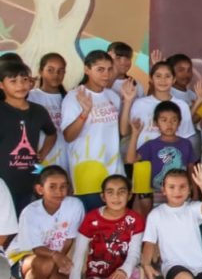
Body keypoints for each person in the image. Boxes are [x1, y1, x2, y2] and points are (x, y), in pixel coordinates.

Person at [6, 166, 84, 279]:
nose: (59, 191)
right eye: (52, 187)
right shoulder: (30, 212)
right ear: (40, 189)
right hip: (24, 257)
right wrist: (55, 260)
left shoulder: (75, 205)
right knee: (45, 263)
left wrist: (54, 272)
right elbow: (36, 249)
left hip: (52, 261)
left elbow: (69, 240)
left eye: (63, 186)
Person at [70, 174, 145, 279]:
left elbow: (135, 253)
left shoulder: (135, 219)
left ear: (129, 195)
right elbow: (78, 254)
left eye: (121, 192)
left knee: (142, 276)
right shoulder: (91, 218)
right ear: (103, 196)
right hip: (97, 275)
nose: (116, 197)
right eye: (110, 192)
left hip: (122, 273)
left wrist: (124, 271)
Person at [141, 165, 202, 279]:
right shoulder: (156, 214)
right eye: (172, 187)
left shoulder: (192, 208)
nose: (177, 191)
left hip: (199, 265)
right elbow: (149, 241)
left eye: (182, 187)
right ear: (163, 190)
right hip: (173, 265)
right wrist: (146, 264)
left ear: (189, 190)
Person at [61, 50, 127, 208]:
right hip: (87, 174)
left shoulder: (113, 96)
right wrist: (85, 112)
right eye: (100, 69)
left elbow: (122, 132)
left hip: (114, 171)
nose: (106, 74)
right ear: (87, 70)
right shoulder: (74, 97)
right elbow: (68, 136)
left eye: (109, 69)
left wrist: (129, 101)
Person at [0, 60, 56, 213]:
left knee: (25, 226)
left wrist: (42, 154)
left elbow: (51, 133)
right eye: (13, 81)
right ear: (1, 85)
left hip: (31, 180)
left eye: (25, 80)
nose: (21, 85)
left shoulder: (39, 111)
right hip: (3, 184)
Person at [126, 101, 197, 211]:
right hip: (158, 193)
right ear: (155, 123)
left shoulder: (186, 144)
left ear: (179, 123)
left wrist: (195, 192)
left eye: (174, 120)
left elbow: (191, 168)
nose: (169, 124)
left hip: (181, 191)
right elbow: (130, 159)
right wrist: (135, 135)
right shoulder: (151, 145)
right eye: (164, 120)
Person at [124, 61, 196, 150]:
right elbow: (124, 131)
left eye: (167, 76)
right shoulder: (140, 104)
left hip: (171, 160)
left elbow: (185, 137)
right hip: (143, 160)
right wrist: (128, 101)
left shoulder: (182, 105)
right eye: (158, 76)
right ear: (151, 79)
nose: (163, 80)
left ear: (174, 80)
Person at [28, 52, 68, 172]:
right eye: (50, 70)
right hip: (41, 157)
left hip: (66, 158)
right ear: (41, 71)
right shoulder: (31, 96)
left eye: (61, 71)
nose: (56, 75)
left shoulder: (69, 98)